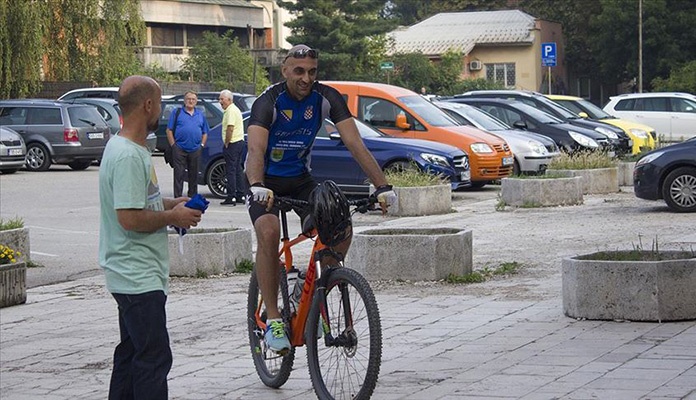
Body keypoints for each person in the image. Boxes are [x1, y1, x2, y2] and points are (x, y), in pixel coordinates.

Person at [246, 44, 397, 353]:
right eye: (299, 71)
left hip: (300, 179)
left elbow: (355, 143)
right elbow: (255, 150)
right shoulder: (269, 102)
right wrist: (257, 183)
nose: (306, 78)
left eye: (312, 71)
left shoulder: (327, 98)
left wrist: (382, 186)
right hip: (263, 179)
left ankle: (310, 287)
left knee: (339, 227)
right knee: (270, 232)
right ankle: (274, 317)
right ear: (285, 70)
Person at [99, 75, 203, 400]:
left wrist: (173, 204)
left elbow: (140, 201)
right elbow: (128, 218)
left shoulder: (127, 147)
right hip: (137, 276)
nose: (161, 109)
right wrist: (173, 217)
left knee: (131, 356)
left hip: (132, 275)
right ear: (147, 105)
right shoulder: (129, 156)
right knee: (153, 359)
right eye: (159, 102)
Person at [166, 91, 209, 198]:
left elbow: (205, 132)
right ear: (184, 101)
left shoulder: (200, 115)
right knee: (178, 175)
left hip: (195, 149)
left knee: (193, 176)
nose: (191, 101)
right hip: (179, 149)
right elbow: (169, 130)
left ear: (196, 101)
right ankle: (178, 197)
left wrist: (202, 145)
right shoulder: (177, 113)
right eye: (188, 99)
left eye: (193, 99)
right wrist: (173, 145)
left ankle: (192, 197)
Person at [219, 89, 247, 206]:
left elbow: (230, 127)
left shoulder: (230, 111)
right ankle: (241, 194)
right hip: (240, 142)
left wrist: (227, 141)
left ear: (229, 100)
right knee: (238, 170)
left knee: (230, 170)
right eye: (220, 99)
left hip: (233, 143)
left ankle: (231, 196)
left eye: (222, 99)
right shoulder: (235, 109)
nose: (220, 102)